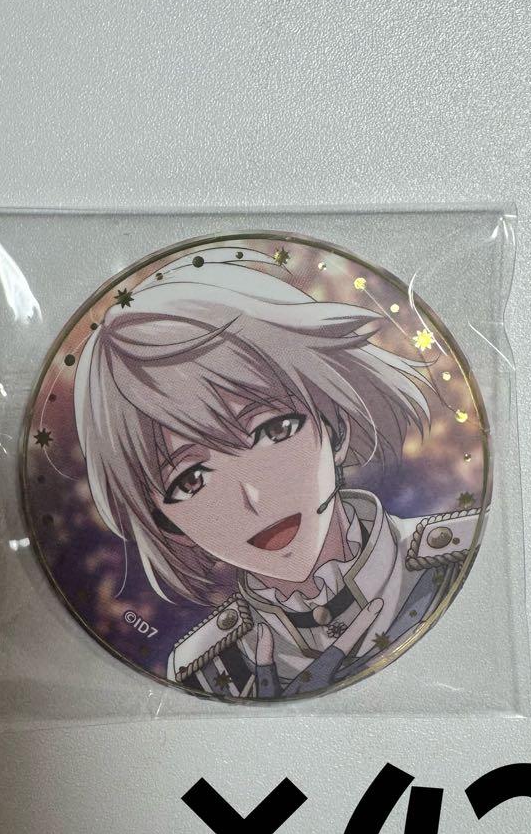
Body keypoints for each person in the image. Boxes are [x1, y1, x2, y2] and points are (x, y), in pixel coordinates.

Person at [73, 244, 481, 698]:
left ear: (333, 423)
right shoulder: (203, 668)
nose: (253, 497)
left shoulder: (457, 558)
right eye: (191, 480)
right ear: (166, 523)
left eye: (273, 430)